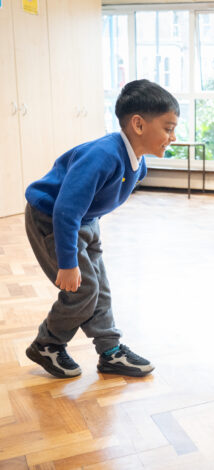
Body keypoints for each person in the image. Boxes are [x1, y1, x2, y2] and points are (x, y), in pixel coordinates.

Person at [24, 79, 179, 378]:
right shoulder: (104, 155)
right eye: (168, 128)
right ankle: (47, 344)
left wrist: (90, 241)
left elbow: (93, 203)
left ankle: (110, 351)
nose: (172, 136)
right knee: (83, 289)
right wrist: (69, 262)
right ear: (138, 124)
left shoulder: (138, 164)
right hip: (51, 218)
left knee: (100, 288)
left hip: (85, 223)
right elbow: (65, 209)